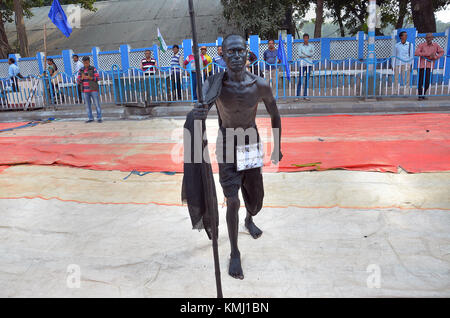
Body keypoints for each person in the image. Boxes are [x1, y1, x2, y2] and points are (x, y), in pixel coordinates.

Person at [184, 34, 283, 280]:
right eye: (231, 52)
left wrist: (277, 146)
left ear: (247, 53)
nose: (237, 56)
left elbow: (275, 114)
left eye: (240, 51)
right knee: (233, 200)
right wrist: (197, 112)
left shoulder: (260, 85)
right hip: (227, 145)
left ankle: (249, 219)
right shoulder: (215, 84)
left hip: (250, 145)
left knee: (254, 196)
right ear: (223, 55)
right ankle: (235, 252)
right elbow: (201, 108)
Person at [415, 33, 444, 100]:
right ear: (425, 38)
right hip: (421, 66)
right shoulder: (421, 45)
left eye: (430, 37)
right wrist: (428, 55)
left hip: (430, 66)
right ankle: (420, 96)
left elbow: (442, 52)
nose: (429, 38)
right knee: (420, 81)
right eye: (427, 37)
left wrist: (435, 57)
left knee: (427, 82)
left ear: (432, 38)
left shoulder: (435, 45)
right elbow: (416, 53)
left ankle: (423, 94)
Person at [77, 56, 102, 123]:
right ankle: (90, 118)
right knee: (87, 106)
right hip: (85, 91)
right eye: (84, 63)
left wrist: (90, 78)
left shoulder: (93, 69)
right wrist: (81, 78)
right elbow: (78, 81)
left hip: (93, 90)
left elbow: (98, 78)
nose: (86, 64)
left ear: (89, 62)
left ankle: (99, 118)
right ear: (83, 62)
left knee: (97, 104)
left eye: (87, 63)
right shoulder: (81, 70)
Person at [393, 31, 414, 95]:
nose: (406, 36)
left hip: (406, 64)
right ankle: (395, 92)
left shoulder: (410, 45)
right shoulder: (396, 45)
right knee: (396, 78)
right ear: (401, 37)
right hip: (397, 64)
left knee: (406, 79)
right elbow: (394, 55)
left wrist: (411, 65)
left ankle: (406, 92)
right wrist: (392, 65)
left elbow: (411, 56)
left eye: (406, 35)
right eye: (405, 35)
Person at [296, 33, 314, 101]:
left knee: (307, 80)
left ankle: (305, 96)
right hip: (302, 64)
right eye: (304, 38)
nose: (306, 39)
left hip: (309, 64)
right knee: (300, 80)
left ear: (308, 39)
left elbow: (312, 54)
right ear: (303, 39)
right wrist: (307, 55)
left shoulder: (311, 46)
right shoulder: (300, 46)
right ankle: (297, 96)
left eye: (307, 38)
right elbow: (300, 55)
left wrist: (304, 53)